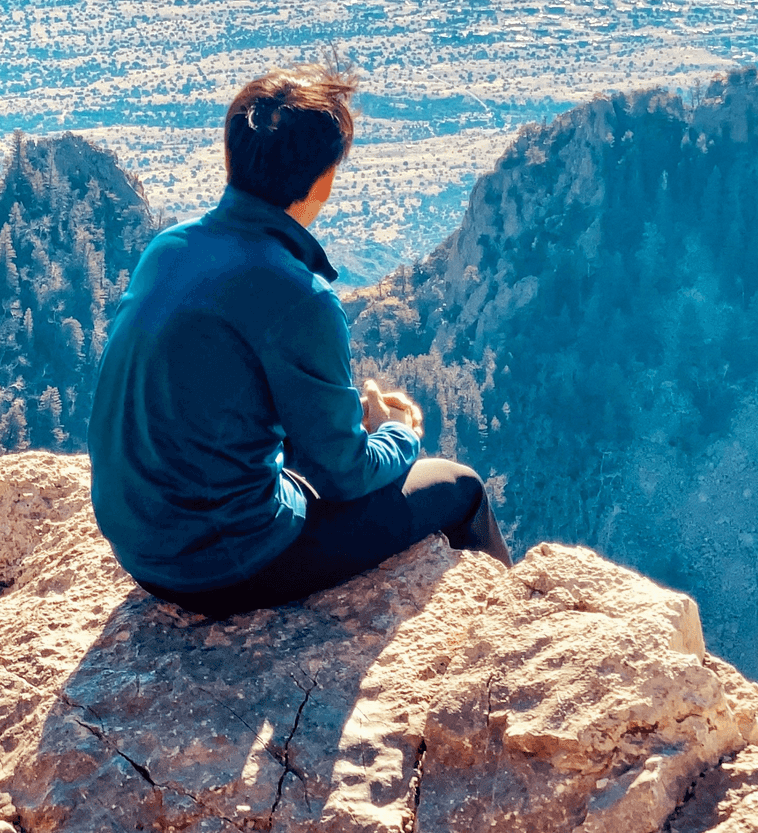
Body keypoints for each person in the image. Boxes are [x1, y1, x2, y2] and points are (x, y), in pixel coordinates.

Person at [88, 65, 512, 619]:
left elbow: (219, 398)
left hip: (139, 545)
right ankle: (508, 630)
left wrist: (339, 417)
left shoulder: (169, 248)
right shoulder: (299, 297)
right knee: (462, 486)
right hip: (222, 565)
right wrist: (396, 432)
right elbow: (345, 477)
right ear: (322, 179)